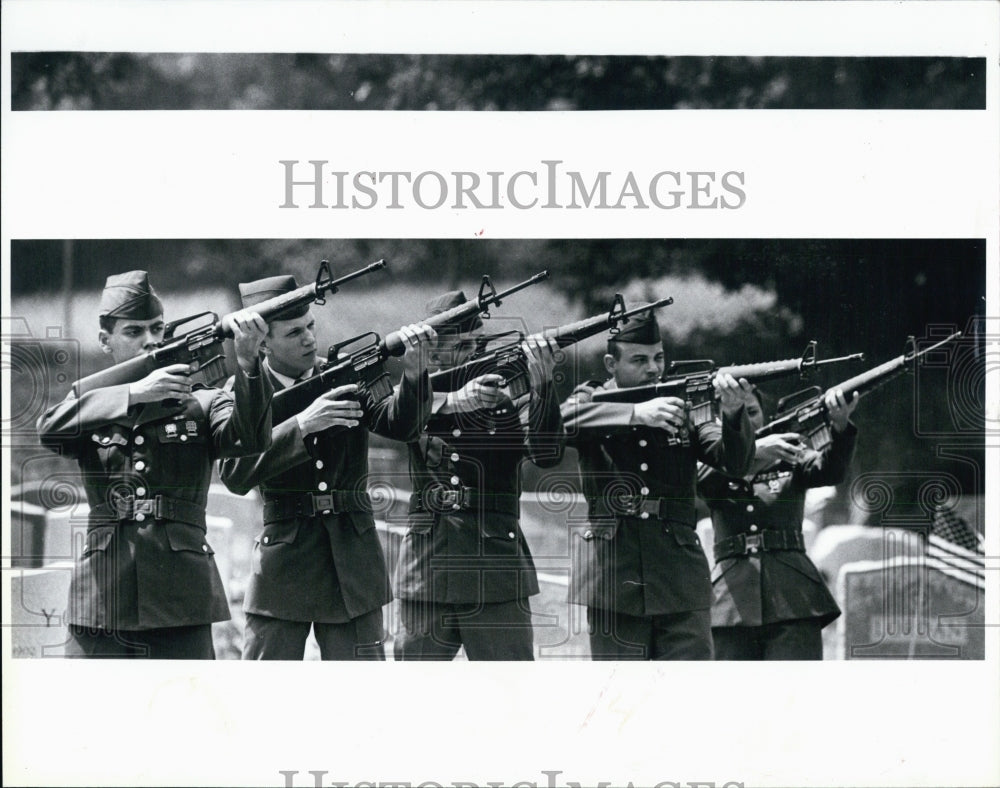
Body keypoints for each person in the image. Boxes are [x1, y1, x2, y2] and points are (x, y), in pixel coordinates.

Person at [37, 270, 272, 659]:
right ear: (105, 341)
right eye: (134, 331)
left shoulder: (203, 401)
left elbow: (252, 439)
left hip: (180, 596)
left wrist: (249, 366)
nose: (150, 340)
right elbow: (50, 430)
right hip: (103, 594)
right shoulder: (92, 402)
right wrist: (133, 394)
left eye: (157, 328)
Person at [219, 275, 437, 660]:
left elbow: (401, 427)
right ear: (263, 342)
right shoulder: (245, 392)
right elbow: (236, 474)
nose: (308, 339)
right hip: (283, 566)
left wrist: (416, 373)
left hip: (351, 563)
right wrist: (303, 425)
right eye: (293, 333)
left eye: (310, 327)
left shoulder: (343, 375)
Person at [560, 313, 756, 660]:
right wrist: (636, 413)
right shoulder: (590, 398)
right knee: (618, 697)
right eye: (640, 360)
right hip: (614, 576)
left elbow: (733, 463)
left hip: (679, 577)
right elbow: (558, 423)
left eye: (659, 358)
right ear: (611, 364)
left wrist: (733, 413)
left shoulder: (685, 402)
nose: (653, 368)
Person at [393, 291, 565, 660]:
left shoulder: (503, 394)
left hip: (495, 568)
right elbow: (388, 413)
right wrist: (452, 398)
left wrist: (543, 385)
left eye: (478, 342)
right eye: (462, 345)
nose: (475, 352)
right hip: (430, 568)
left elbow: (546, 454)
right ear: (432, 354)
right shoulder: (413, 398)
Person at [698, 386, 858, 660]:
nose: (748, 422)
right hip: (731, 601)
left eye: (752, 412)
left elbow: (829, 469)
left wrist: (840, 425)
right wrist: (753, 452)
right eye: (736, 415)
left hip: (791, 596)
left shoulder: (788, 455)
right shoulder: (711, 463)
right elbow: (701, 481)